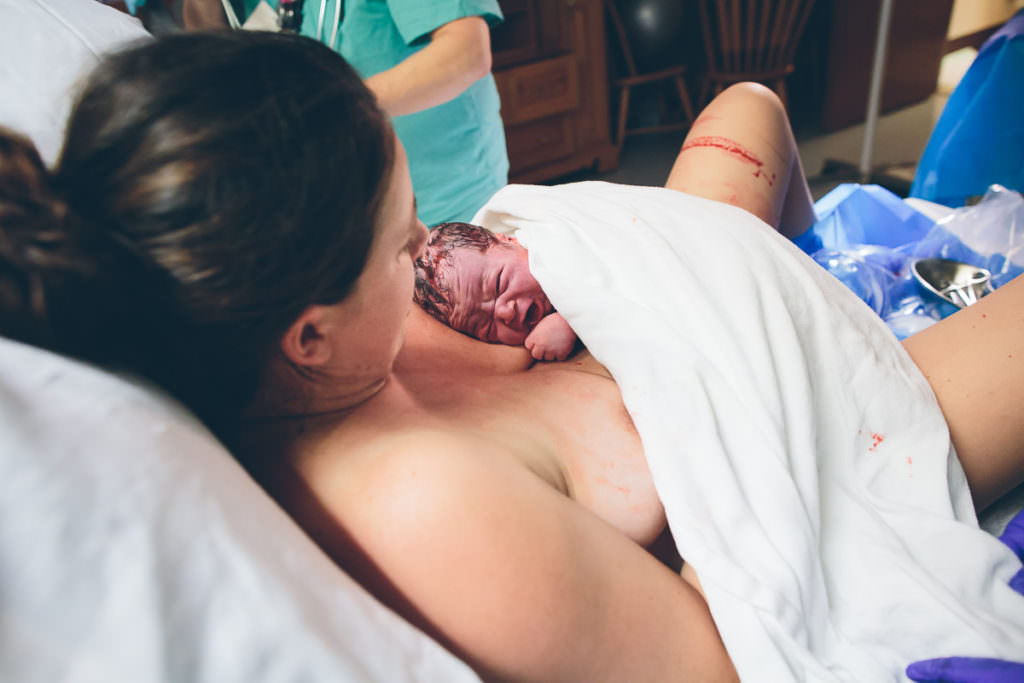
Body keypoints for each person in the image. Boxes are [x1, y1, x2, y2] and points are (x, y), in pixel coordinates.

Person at [0, 31, 1021, 681]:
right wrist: (737, 377)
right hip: (823, 435)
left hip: (701, 316)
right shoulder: (417, 505)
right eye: (401, 248)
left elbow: (505, 265)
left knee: (749, 102)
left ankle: (836, 260)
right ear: (307, 334)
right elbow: (724, 656)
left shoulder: (317, 336)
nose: (418, 254)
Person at [182, 0, 509, 227]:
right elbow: (213, 52)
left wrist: (319, 110)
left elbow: (466, 53)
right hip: (335, 206)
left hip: (443, 195)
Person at [414, 221, 579, 361]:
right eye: (486, 326)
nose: (506, 313)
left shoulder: (556, 243)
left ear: (509, 240)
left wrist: (571, 320)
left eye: (499, 283)